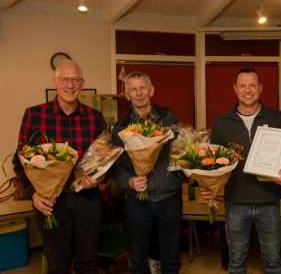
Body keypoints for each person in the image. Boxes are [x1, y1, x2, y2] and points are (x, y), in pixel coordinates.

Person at [200, 68, 281, 274]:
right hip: (235, 201)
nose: (248, 90)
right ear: (235, 89)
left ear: (260, 88)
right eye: (243, 86)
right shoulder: (221, 122)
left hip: (268, 200)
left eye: (253, 85)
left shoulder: (277, 117)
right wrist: (208, 186)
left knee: (273, 259)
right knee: (236, 260)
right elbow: (211, 164)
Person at [13, 60, 106, 274]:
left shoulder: (95, 117)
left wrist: (100, 177)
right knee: (57, 266)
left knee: (89, 264)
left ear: (82, 84)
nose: (70, 85)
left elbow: (104, 159)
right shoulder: (34, 115)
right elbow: (20, 161)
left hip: (88, 200)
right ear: (54, 82)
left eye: (76, 80)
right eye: (65, 79)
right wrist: (33, 193)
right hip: (51, 203)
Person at [111, 71, 181, 274]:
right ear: (127, 94)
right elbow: (115, 166)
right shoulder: (120, 128)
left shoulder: (168, 117)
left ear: (151, 90)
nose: (139, 93)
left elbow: (180, 150)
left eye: (142, 88)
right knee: (139, 258)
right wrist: (130, 181)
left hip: (169, 198)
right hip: (137, 201)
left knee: (171, 257)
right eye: (133, 89)